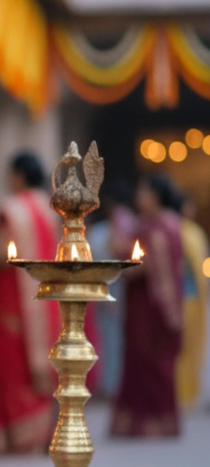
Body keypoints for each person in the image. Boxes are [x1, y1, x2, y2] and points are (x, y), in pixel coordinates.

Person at [0, 152, 60, 454]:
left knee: (11, 363)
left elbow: (1, 253)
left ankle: (14, 437)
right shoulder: (49, 209)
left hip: (13, 299)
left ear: (18, 176)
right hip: (45, 299)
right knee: (38, 360)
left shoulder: (11, 209)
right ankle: (40, 432)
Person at [111, 175, 184, 437]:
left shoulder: (154, 227)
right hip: (165, 305)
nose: (139, 197)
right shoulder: (173, 224)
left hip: (150, 306)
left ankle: (147, 422)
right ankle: (159, 421)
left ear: (154, 195)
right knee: (152, 364)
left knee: (148, 362)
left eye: (143, 192)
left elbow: (146, 265)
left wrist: (124, 268)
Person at [87, 182, 136, 400]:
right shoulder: (117, 225)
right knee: (109, 337)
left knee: (113, 338)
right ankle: (110, 384)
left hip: (117, 285)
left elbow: (119, 250)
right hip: (111, 286)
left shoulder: (120, 223)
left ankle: (113, 385)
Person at [176, 194, 209, 410]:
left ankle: (189, 392)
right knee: (181, 348)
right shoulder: (178, 231)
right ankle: (180, 393)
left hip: (194, 298)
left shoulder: (193, 232)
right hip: (183, 298)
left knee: (193, 347)